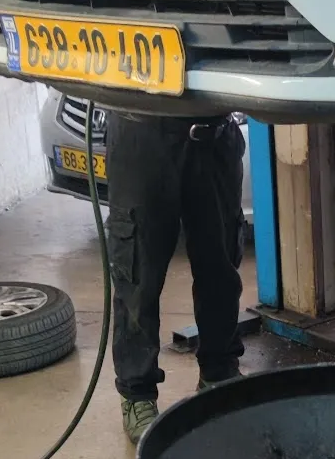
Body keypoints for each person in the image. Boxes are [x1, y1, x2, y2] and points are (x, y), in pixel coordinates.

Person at [103, 111, 247, 444]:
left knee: (220, 265)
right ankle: (137, 394)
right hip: (141, 129)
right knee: (138, 274)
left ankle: (219, 373)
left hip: (215, 132)